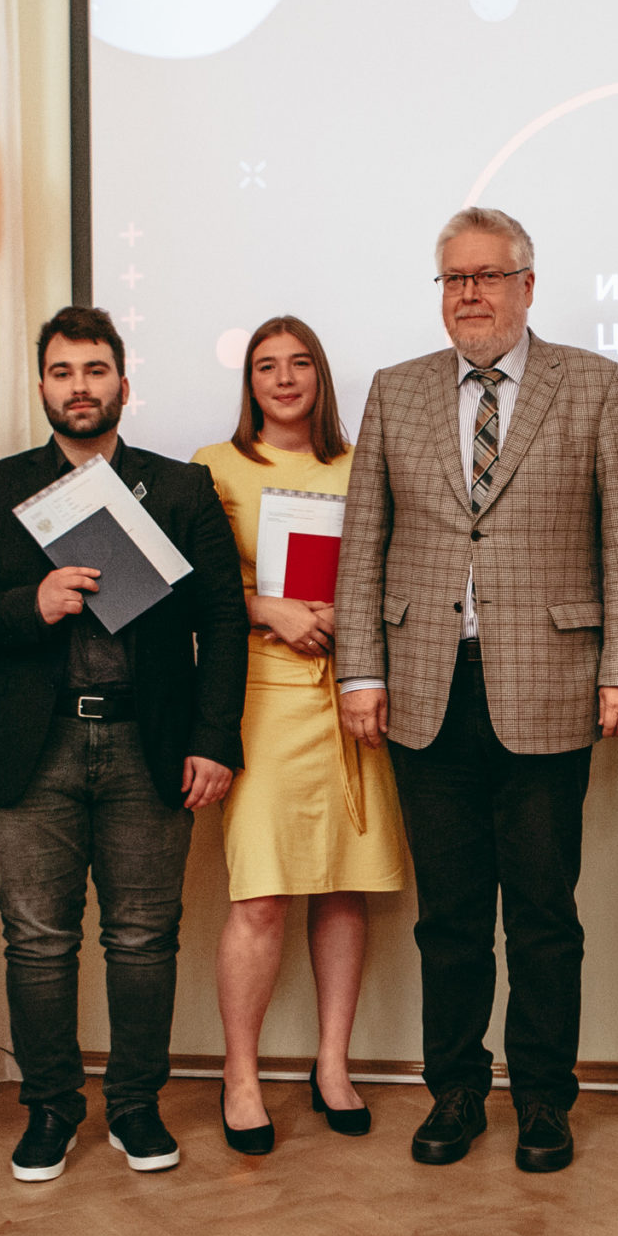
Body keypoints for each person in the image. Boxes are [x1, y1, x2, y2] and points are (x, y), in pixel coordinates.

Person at [334, 206, 618, 1174]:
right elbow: (363, 542)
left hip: (551, 686)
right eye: (453, 279)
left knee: (544, 914)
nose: (468, 294)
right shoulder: (395, 390)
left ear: (527, 284)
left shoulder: (594, 384)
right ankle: (455, 1091)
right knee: (450, 917)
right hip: (422, 690)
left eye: (486, 276)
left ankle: (544, 1099)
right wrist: (360, 670)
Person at [0, 305, 249, 1183]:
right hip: (31, 750)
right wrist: (26, 605)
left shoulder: (180, 488)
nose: (80, 386)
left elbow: (224, 621)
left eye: (95, 369)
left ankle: (136, 1106)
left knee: (144, 938)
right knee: (37, 940)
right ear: (41, 385)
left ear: (123, 383)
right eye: (63, 371)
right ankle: (50, 1109)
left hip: (151, 745)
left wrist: (214, 738)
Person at [193, 318, 411, 1155]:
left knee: (344, 886)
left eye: (298, 364)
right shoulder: (215, 466)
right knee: (261, 893)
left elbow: (394, 570)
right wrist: (267, 609)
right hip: (262, 693)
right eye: (265, 366)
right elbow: (196, 587)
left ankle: (332, 1065)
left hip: (349, 692)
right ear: (248, 382)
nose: (283, 379)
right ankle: (241, 1076)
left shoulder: (362, 465)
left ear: (320, 375)